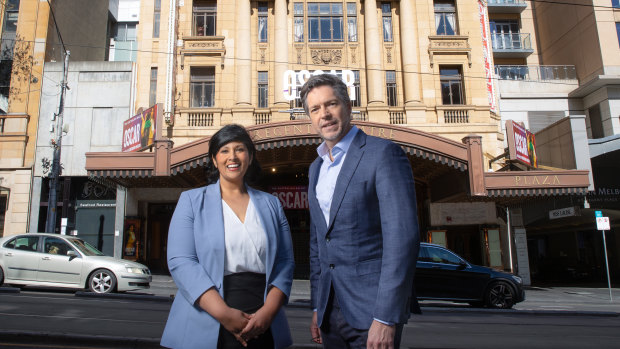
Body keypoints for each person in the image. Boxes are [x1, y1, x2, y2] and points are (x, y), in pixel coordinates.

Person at [300, 74, 420, 349]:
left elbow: (402, 240)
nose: (325, 115)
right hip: (330, 312)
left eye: (331, 104)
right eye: (315, 109)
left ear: (348, 106)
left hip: (371, 312)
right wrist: (318, 307)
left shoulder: (383, 154)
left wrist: (386, 317)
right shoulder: (315, 168)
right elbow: (319, 243)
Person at [160, 124, 295, 349]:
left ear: (250, 157)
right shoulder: (191, 201)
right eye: (224, 150)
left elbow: (285, 261)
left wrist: (268, 313)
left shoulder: (271, 204)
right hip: (208, 312)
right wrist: (224, 314)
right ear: (214, 159)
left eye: (240, 149)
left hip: (263, 317)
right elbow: (181, 261)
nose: (232, 156)